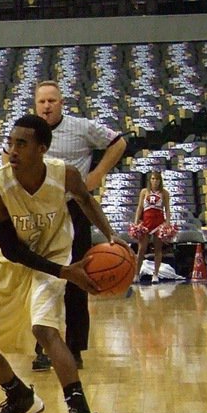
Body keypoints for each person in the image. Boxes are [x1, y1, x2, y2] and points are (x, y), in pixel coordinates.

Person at [0, 114, 123, 413]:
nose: (12, 150)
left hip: (52, 259)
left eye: (21, 144)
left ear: (42, 148)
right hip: (8, 264)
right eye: (10, 143)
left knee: (44, 329)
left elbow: (85, 200)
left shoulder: (64, 174)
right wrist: (67, 274)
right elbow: (10, 249)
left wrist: (112, 236)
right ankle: (20, 397)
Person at [31, 80, 126, 370]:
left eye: (52, 101)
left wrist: (97, 173)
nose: (46, 106)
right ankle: (43, 347)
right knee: (43, 282)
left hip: (74, 210)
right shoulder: (29, 132)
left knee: (76, 282)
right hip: (40, 214)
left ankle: (74, 348)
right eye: (42, 101)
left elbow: (119, 142)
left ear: (61, 103)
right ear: (36, 105)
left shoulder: (82, 127)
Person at [131, 170, 172, 284]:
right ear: (150, 180)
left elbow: (167, 209)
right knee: (141, 249)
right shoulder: (144, 191)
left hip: (159, 224)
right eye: (153, 179)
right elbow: (140, 207)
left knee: (158, 250)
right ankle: (136, 274)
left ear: (160, 181)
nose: (155, 181)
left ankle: (155, 274)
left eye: (157, 179)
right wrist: (136, 222)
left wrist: (167, 223)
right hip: (145, 223)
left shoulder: (164, 193)